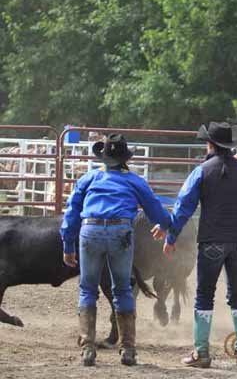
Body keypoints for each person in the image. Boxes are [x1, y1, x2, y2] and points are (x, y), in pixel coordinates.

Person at [152, 122, 237, 369]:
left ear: (210, 145)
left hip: (211, 241)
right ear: (231, 147)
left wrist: (171, 236)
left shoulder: (201, 172)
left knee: (204, 296)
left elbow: (183, 207)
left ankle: (202, 353)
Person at [60, 133, 172, 367]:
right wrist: (166, 225)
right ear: (126, 159)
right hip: (121, 231)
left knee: (88, 288)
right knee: (122, 289)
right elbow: (156, 211)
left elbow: (71, 213)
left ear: (104, 157)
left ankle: (88, 348)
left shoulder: (89, 178)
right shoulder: (134, 180)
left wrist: (68, 245)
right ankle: (128, 349)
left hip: (89, 231)